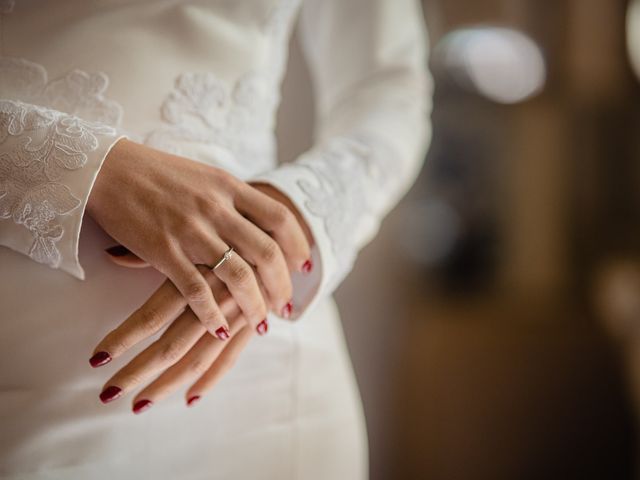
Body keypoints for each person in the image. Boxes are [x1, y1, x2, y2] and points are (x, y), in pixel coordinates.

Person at [0, 0, 431, 478]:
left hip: (256, 353)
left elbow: (388, 90)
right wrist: (95, 170)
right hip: (20, 358)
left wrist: (290, 216)